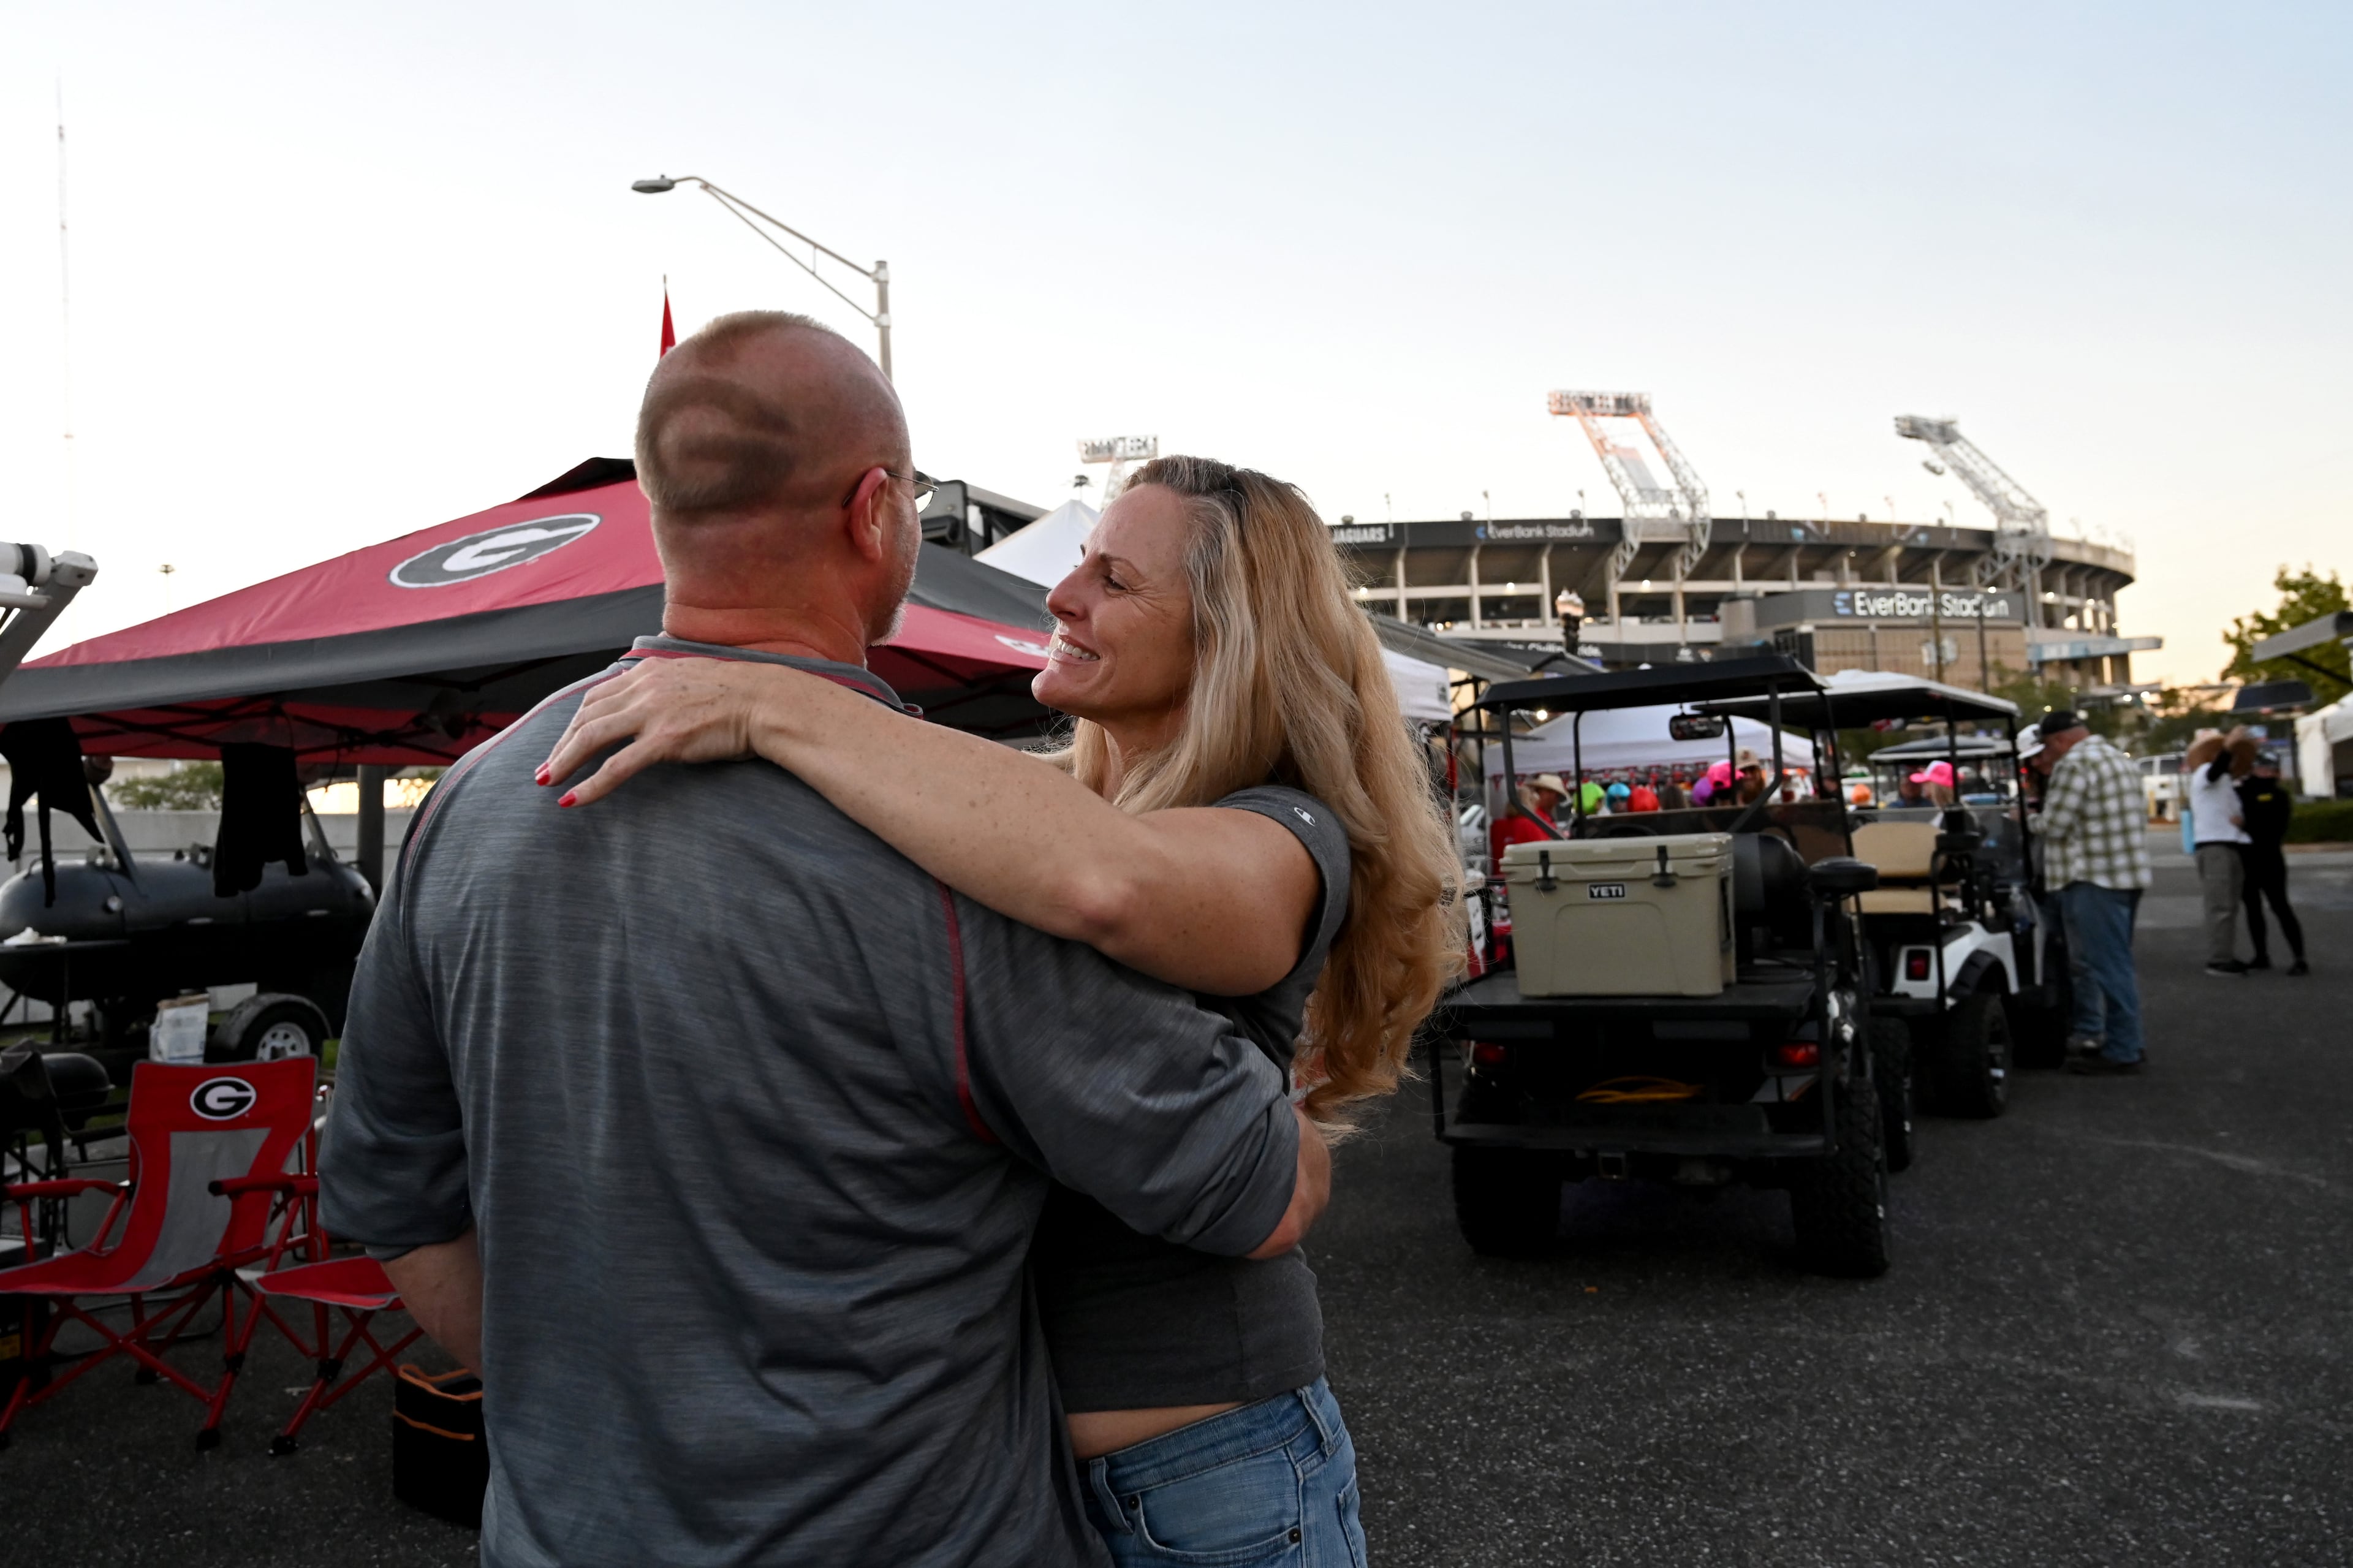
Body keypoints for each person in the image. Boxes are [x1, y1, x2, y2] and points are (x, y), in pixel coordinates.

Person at [319, 313, 1337, 1568]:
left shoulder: (467, 807)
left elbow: (393, 1199)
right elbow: (1258, 1182)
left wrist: (613, 1405)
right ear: (874, 511)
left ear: (662, 507)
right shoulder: (959, 846)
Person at [535, 443, 1466, 1565]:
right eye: (1080, 562)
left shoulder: (1286, 830)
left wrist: (770, 697)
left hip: (1215, 1468)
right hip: (997, 1477)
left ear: (1227, 639)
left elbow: (1112, 879)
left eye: (1115, 581)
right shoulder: (1038, 804)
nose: (1061, 596)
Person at [2025, 710, 2152, 1074]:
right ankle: (2124, 1039)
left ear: (2060, 741)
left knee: (2106, 967)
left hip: (2092, 879)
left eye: (2048, 748)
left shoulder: (2072, 765)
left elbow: (2056, 825)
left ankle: (2123, 1049)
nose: (2048, 757)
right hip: (2127, 876)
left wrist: (2027, 820)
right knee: (2118, 963)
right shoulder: (2118, 759)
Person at [2184, 725, 2258, 976]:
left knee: (2229, 905)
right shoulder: (2205, 774)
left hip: (2230, 844)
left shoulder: (2226, 782)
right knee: (2220, 906)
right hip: (2215, 846)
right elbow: (2216, 770)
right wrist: (2228, 746)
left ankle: (2225, 953)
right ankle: (2219, 959)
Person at [2237, 748, 2308, 975]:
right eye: (2259, 767)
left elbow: (2273, 830)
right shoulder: (2243, 791)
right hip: (2248, 860)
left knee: (2280, 907)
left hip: (2270, 859)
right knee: (2252, 908)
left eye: (2267, 768)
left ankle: (2299, 957)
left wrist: (2245, 824)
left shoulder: (2278, 796)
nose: (2262, 772)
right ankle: (2261, 955)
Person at [1493, 771, 1568, 863]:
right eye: (1556, 795)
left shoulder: (1498, 825)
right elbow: (1545, 848)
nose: (1556, 800)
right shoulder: (1530, 821)